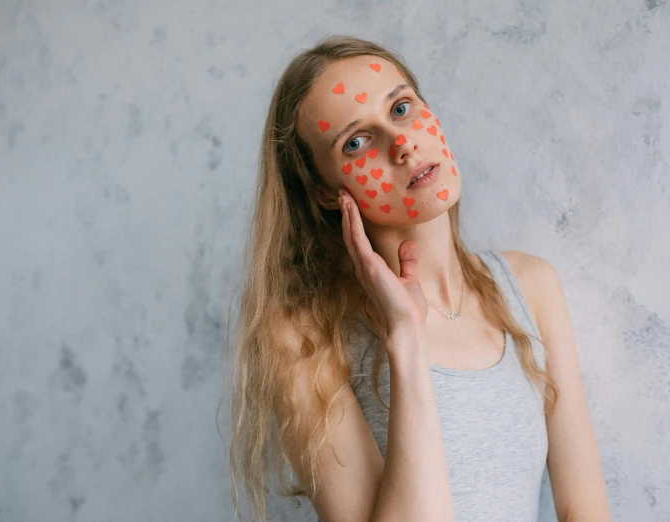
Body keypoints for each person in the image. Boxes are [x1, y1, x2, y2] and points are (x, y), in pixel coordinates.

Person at [227, 34, 612, 522]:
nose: (402, 143)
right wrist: (406, 337)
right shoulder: (303, 339)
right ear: (326, 193)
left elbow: (586, 511)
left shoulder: (532, 286)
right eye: (357, 141)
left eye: (402, 108)